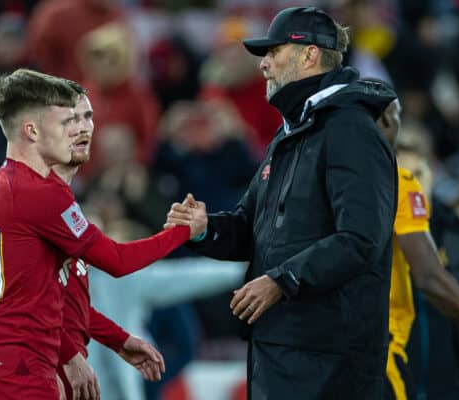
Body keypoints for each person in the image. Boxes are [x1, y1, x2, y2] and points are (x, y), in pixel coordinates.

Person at [166, 6, 398, 399]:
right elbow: (252, 228)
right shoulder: (291, 133)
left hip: (330, 358)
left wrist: (282, 280)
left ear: (309, 55)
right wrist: (206, 230)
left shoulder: (351, 130)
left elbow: (361, 238)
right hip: (284, 347)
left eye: (273, 53)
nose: (264, 66)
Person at [0, 69, 205, 400]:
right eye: (63, 122)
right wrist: (184, 231)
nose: (78, 130)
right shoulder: (40, 194)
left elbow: (48, 298)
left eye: (82, 119)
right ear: (32, 130)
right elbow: (116, 261)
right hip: (20, 366)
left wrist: (117, 339)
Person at [52, 93, 167, 400]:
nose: (114, 154)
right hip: (100, 280)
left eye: (121, 148)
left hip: (144, 276)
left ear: (133, 148)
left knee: (164, 343)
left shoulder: (145, 182)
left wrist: (139, 201)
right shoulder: (89, 184)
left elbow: (157, 225)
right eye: (109, 148)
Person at [371, 101, 459, 399]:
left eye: (420, 174)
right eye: (407, 175)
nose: (415, 187)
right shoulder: (375, 232)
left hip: (448, 386)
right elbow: (432, 281)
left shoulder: (458, 233)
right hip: (390, 375)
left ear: (433, 173)